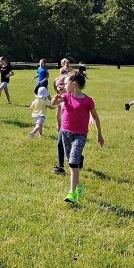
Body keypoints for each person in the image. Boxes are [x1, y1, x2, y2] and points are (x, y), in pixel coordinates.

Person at [50, 71, 103, 204]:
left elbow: (95, 117)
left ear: (73, 84)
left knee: (73, 162)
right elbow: (52, 104)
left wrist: (99, 134)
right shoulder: (66, 96)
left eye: (66, 83)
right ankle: (79, 187)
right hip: (66, 133)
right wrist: (55, 99)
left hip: (80, 136)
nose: (63, 85)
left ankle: (72, 193)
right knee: (70, 161)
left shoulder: (87, 101)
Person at [52, 60, 73, 175]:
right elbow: (58, 110)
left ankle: (79, 158)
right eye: (57, 86)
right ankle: (61, 167)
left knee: (71, 148)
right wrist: (58, 123)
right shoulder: (59, 98)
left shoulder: (71, 96)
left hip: (73, 126)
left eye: (62, 84)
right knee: (60, 144)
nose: (60, 87)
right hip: (64, 125)